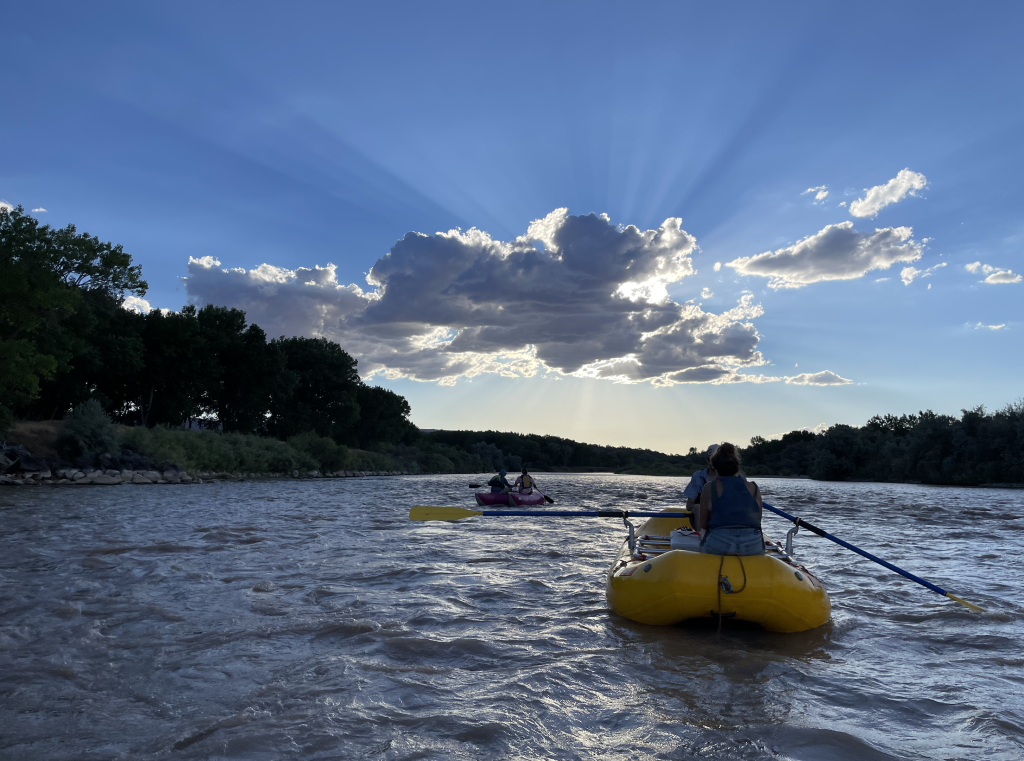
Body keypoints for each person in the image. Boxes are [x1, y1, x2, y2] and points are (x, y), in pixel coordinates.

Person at [698, 442, 764, 556]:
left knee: (703, 542)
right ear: (736, 466)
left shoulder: (709, 488)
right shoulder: (754, 487)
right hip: (753, 544)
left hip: (720, 543)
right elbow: (758, 520)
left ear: (715, 467)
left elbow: (703, 524)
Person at [683, 444, 718, 533]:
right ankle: (702, 536)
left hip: (723, 517)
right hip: (702, 517)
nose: (716, 462)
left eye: (718, 459)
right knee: (697, 507)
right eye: (713, 459)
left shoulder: (731, 476)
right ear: (707, 459)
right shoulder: (697, 476)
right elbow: (689, 505)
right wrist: (706, 507)